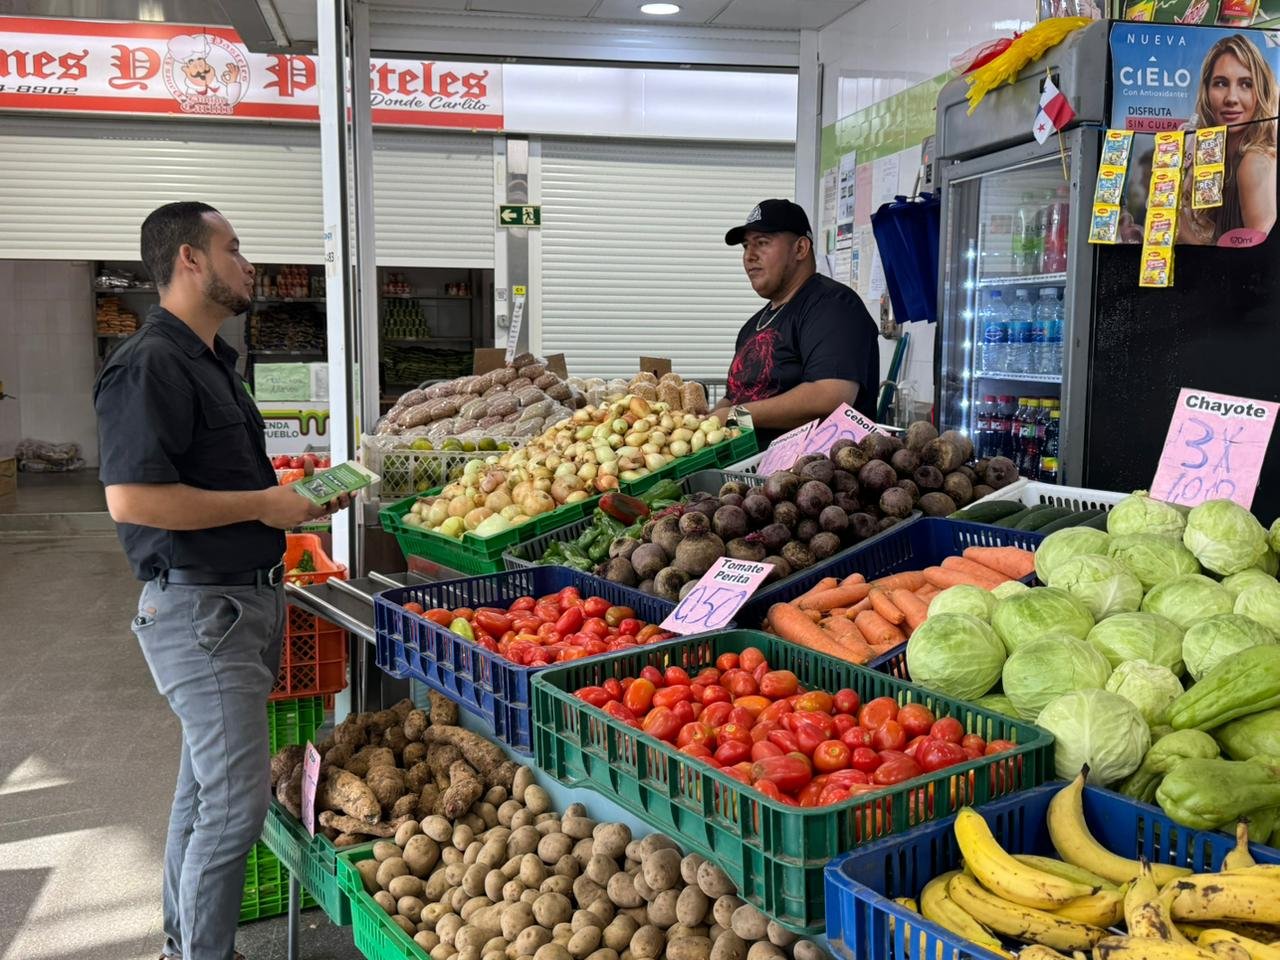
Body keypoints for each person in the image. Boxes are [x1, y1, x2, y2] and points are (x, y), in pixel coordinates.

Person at [94, 201, 346, 960]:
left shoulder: (209, 359)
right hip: (204, 612)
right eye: (234, 249)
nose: (249, 264)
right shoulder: (150, 364)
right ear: (190, 261)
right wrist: (267, 505)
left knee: (203, 793)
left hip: (238, 604)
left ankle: (184, 945)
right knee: (236, 807)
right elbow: (131, 499)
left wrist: (297, 505)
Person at [714, 199, 880, 445]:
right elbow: (735, 397)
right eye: (746, 246)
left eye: (762, 243)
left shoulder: (833, 306)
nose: (749, 256)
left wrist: (734, 417)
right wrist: (706, 420)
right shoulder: (752, 326)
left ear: (801, 249)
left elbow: (829, 396)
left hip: (812, 476)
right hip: (749, 476)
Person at [1180, 33, 1278, 244]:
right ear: (1206, 91)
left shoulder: (1254, 162)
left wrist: (1179, 228)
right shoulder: (1212, 154)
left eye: (1246, 84)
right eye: (1221, 83)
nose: (1231, 98)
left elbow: (1256, 263)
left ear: (1261, 91)